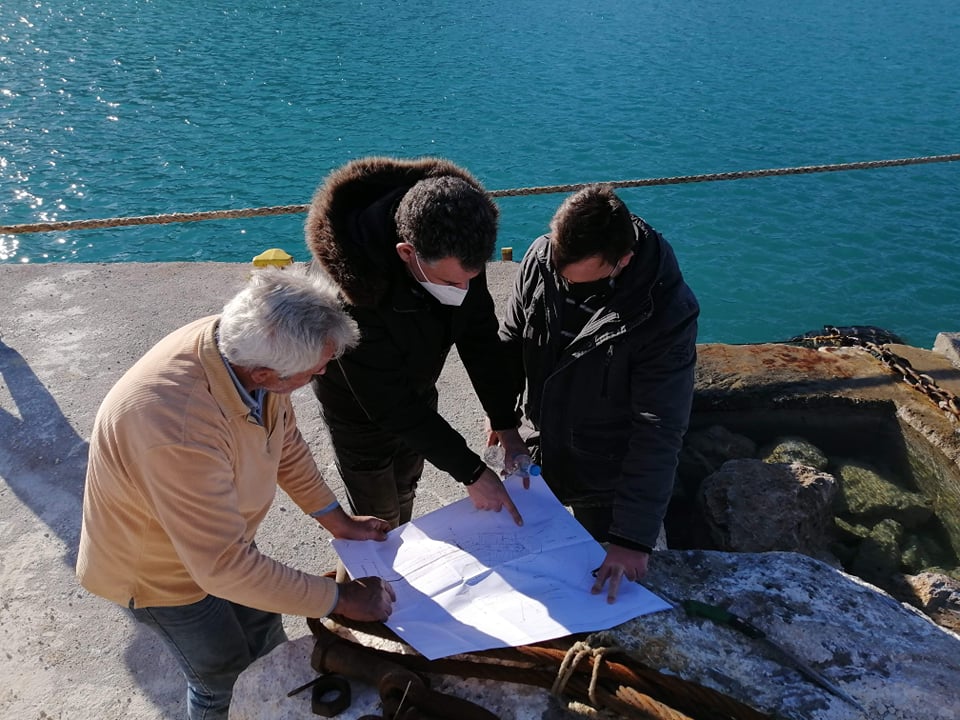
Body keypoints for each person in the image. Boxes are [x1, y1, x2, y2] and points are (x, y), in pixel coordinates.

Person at [76, 267, 396, 720]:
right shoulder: (177, 428)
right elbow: (223, 568)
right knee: (222, 680)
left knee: (267, 645)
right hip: (158, 573)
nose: (324, 371)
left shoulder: (243, 347)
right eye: (315, 370)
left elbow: (284, 442)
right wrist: (342, 599)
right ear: (265, 373)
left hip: (220, 538)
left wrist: (337, 520)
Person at [498, 185, 699, 603]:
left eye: (579, 280)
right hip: (539, 451)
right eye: (558, 269)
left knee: (596, 594)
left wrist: (631, 538)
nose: (564, 284)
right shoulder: (541, 258)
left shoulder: (666, 313)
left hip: (606, 475)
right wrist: (502, 418)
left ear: (622, 260)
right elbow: (511, 341)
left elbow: (659, 428)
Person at [305, 156, 528, 530]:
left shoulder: (460, 246)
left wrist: (505, 423)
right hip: (357, 409)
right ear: (407, 253)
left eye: (472, 278)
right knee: (379, 517)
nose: (465, 291)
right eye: (452, 283)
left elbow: (480, 339)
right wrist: (473, 472)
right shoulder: (351, 293)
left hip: (418, 383)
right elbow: (389, 403)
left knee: (407, 483)